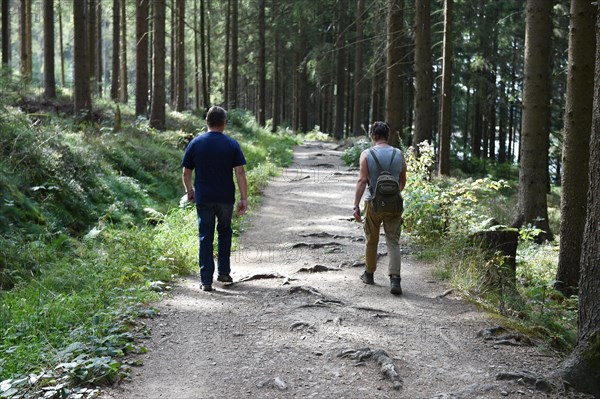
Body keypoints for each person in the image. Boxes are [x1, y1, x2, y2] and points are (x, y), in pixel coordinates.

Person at [182, 106, 248, 292]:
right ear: (224, 123)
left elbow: (186, 173)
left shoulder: (195, 143)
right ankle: (224, 272)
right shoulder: (232, 144)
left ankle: (206, 281)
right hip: (226, 198)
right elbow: (240, 173)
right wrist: (244, 198)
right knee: (225, 232)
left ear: (207, 122)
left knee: (205, 237)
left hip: (204, 198)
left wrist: (190, 191)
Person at [352, 121, 407, 295]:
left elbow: (362, 181)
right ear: (387, 136)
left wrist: (356, 205)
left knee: (371, 239)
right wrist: (392, 195)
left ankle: (369, 274)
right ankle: (395, 279)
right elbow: (403, 180)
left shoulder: (366, 154)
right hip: (394, 205)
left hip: (373, 203)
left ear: (372, 136)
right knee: (393, 241)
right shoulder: (399, 154)